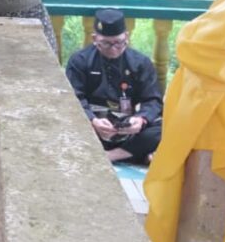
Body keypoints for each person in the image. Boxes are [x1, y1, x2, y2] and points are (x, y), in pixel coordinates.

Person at [65, 9, 163, 164]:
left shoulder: (140, 63)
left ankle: (111, 156)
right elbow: (74, 98)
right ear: (95, 39)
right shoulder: (79, 61)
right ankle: (136, 154)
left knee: (166, 127)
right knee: (66, 126)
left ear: (127, 37)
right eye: (106, 43)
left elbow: (153, 100)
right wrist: (92, 121)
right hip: (93, 126)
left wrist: (140, 120)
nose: (113, 48)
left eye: (118, 43)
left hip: (127, 126)